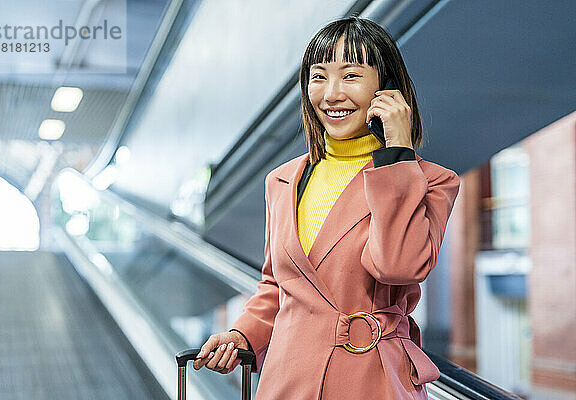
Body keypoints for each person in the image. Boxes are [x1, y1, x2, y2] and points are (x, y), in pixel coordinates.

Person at [193, 16, 460, 399]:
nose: (331, 94)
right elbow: (278, 285)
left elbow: (397, 265)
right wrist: (242, 335)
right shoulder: (282, 181)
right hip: (287, 379)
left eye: (350, 76)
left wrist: (397, 156)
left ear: (387, 90)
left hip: (374, 378)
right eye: (319, 77)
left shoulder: (432, 180)